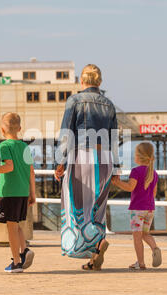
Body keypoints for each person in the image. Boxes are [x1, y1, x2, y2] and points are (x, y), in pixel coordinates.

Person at [54, 64, 121, 271]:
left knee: (76, 205)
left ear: (81, 82)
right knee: (97, 207)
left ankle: (84, 245)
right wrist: (116, 168)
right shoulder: (109, 104)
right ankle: (96, 250)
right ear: (99, 82)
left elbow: (67, 132)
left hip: (81, 155)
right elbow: (114, 137)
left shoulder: (74, 100)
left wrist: (60, 160)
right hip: (105, 158)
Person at [0, 113, 36, 273]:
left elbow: (8, 167)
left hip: (9, 191)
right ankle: (24, 250)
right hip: (23, 191)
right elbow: (31, 171)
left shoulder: (4, 146)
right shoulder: (24, 146)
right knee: (16, 224)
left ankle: (16, 262)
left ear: (2, 129)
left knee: (11, 228)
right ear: (20, 128)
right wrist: (33, 194)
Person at [111, 142, 162, 269]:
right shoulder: (154, 173)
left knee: (137, 237)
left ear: (138, 157)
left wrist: (117, 183)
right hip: (150, 209)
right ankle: (155, 248)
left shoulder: (136, 171)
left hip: (137, 209)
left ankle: (141, 263)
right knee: (145, 234)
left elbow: (130, 187)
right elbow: (154, 193)